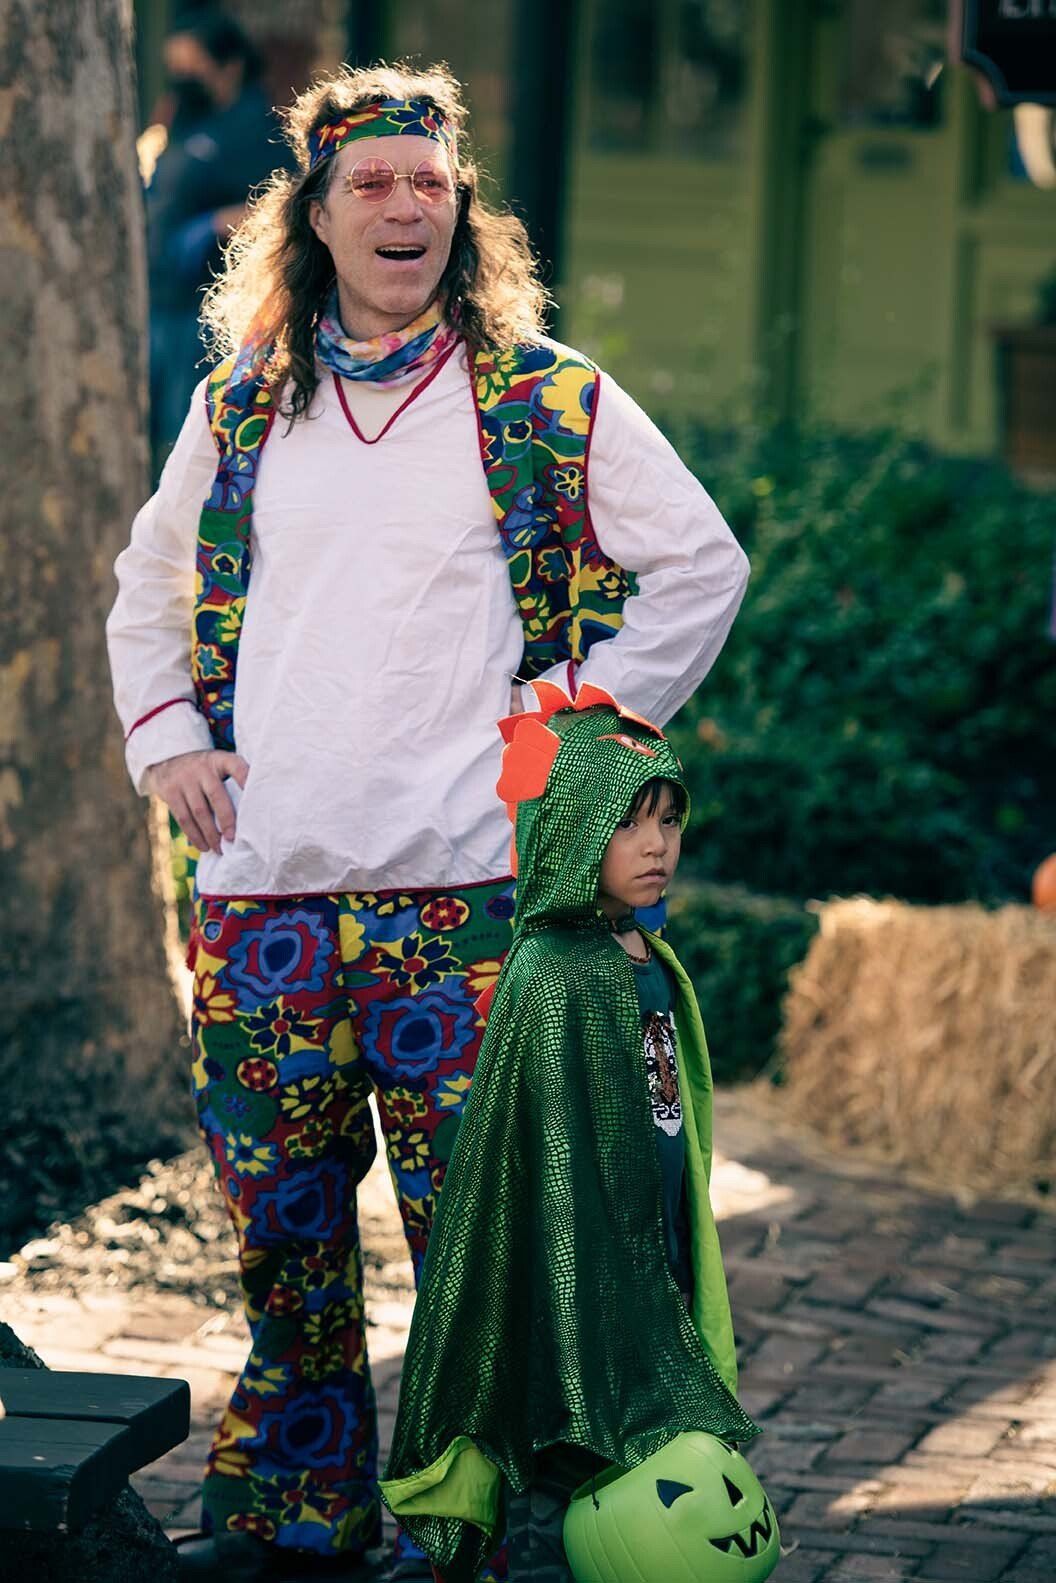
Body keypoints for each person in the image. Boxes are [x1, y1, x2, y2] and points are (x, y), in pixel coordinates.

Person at [106, 59, 750, 1581]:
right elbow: (147, 588)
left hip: (464, 900)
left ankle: (471, 1517)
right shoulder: (244, 406)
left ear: (461, 212)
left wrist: (569, 724)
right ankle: (294, 1512)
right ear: (314, 216)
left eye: (430, 183)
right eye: (369, 184)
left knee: (478, 1235)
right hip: (262, 892)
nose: (404, 206)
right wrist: (171, 741)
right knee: (286, 1234)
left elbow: (701, 567)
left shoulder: (541, 394)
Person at [380, 684, 759, 1583]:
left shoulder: (640, 952)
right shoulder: (553, 974)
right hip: (582, 1258)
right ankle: (560, 1552)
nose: (658, 845)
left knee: (647, 1413)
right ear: (573, 832)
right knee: (578, 1431)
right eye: (631, 825)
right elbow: (547, 1163)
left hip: (649, 1230)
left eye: (669, 822)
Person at [145, 10, 291, 461]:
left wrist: (212, 225)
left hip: (208, 314)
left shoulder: (253, 129)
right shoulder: (184, 122)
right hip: (162, 305)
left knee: (197, 442)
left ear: (230, 66)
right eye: (175, 68)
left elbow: (285, 200)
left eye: (192, 68)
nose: (181, 79)